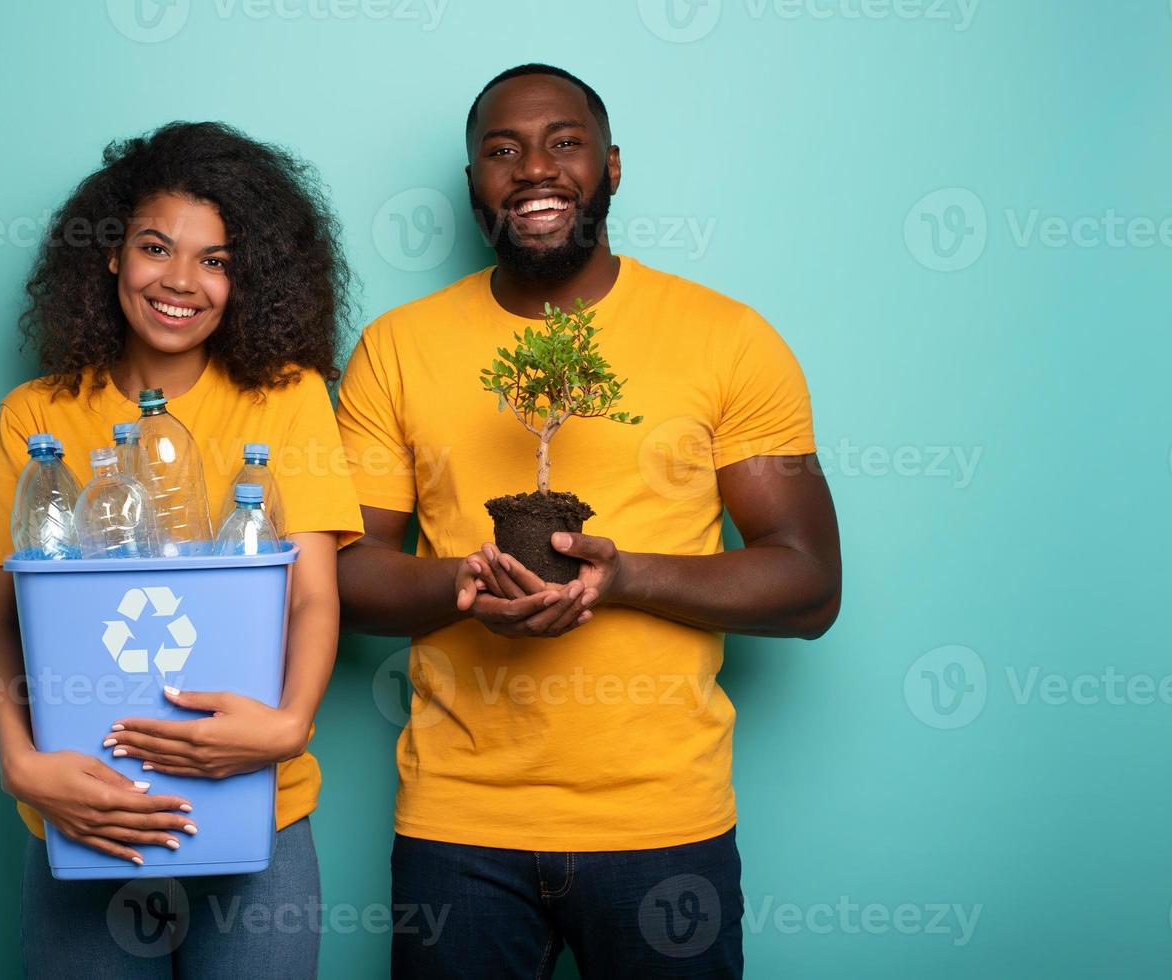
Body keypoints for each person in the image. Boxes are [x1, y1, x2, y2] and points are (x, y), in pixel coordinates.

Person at [335, 64, 843, 978]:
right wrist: (464, 585)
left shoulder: (727, 338)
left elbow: (808, 580)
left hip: (663, 823)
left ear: (611, 166)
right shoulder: (396, 349)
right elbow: (347, 574)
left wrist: (626, 577)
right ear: (472, 187)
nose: (534, 169)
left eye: (564, 142)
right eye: (502, 150)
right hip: (458, 827)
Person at [0, 121, 363, 978]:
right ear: (110, 255)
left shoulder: (287, 399)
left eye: (215, 260)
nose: (181, 282)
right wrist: (19, 765)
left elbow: (313, 594)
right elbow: (4, 621)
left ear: (245, 277)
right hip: (86, 808)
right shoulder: (36, 414)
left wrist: (289, 727)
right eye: (156, 248)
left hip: (259, 806)